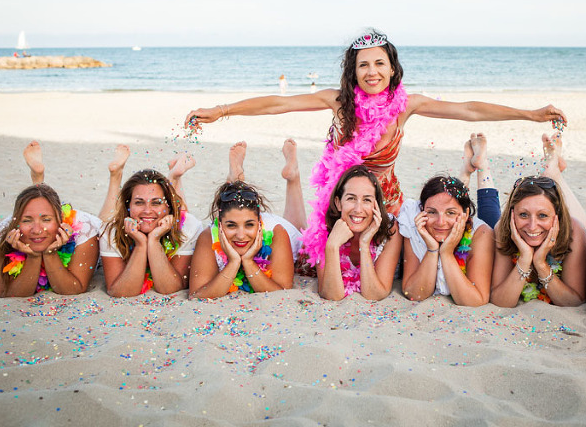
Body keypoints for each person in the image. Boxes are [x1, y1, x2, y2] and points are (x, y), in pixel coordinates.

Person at [184, 29, 566, 271]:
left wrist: (530, 114)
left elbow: (468, 109)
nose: (372, 72)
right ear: (353, 72)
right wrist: (222, 110)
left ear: (392, 68)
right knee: (311, 261)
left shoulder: (406, 106)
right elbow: (277, 104)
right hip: (342, 205)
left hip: (388, 205)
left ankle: (475, 170)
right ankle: (290, 178)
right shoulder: (338, 101)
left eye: (379, 63)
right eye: (363, 65)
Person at [189, 140, 302, 299]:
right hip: (245, 215)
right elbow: (196, 295)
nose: (241, 235)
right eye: (231, 226)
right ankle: (236, 182)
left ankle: (293, 177)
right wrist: (234, 262)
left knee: (300, 226)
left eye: (249, 225)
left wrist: (248, 262)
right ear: (219, 224)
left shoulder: (277, 232)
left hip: (289, 231)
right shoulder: (208, 236)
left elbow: (281, 291)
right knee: (238, 207)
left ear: (259, 222)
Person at [0, 141, 101, 297]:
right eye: (26, 220)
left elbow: (74, 289)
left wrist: (50, 254)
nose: (37, 230)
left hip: (81, 221)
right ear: (16, 221)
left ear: (60, 220)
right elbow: (8, 294)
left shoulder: (85, 229)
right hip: (43, 213)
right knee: (39, 207)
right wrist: (33, 257)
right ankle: (38, 185)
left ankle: (115, 177)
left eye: (46, 220)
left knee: (106, 220)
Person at [490, 133, 586, 307]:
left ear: (557, 216)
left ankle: (553, 171)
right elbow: (501, 302)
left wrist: (540, 264)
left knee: (584, 226)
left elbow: (573, 302)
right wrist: (525, 258)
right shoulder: (503, 228)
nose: (532, 226)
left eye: (542, 215)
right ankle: (552, 170)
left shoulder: (574, 231)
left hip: (579, 229)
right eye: (523, 215)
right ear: (512, 214)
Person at [398, 133, 497, 306]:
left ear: (466, 215)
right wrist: (432, 249)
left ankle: (482, 165)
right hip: (456, 207)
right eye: (431, 212)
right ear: (422, 210)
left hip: (477, 221)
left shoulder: (481, 233)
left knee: (492, 218)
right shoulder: (414, 223)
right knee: (450, 197)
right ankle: (465, 172)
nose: (440, 222)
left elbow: (475, 301)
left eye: (451, 213)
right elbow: (415, 294)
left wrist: (446, 253)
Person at [98, 146, 202, 297]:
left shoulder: (189, 228)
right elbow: (120, 292)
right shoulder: (110, 230)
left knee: (180, 213)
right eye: (139, 202)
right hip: (114, 222)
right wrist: (141, 244)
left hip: (174, 216)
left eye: (156, 203)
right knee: (103, 222)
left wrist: (154, 240)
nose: (147, 210)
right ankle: (115, 177)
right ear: (128, 205)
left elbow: (169, 288)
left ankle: (174, 178)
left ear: (168, 206)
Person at [318, 165, 402, 300]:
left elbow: (374, 295)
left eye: (367, 200)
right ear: (338, 203)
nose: (358, 209)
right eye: (351, 198)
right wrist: (332, 246)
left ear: (376, 205)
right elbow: (332, 295)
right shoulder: (322, 229)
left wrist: (364, 244)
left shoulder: (390, 229)